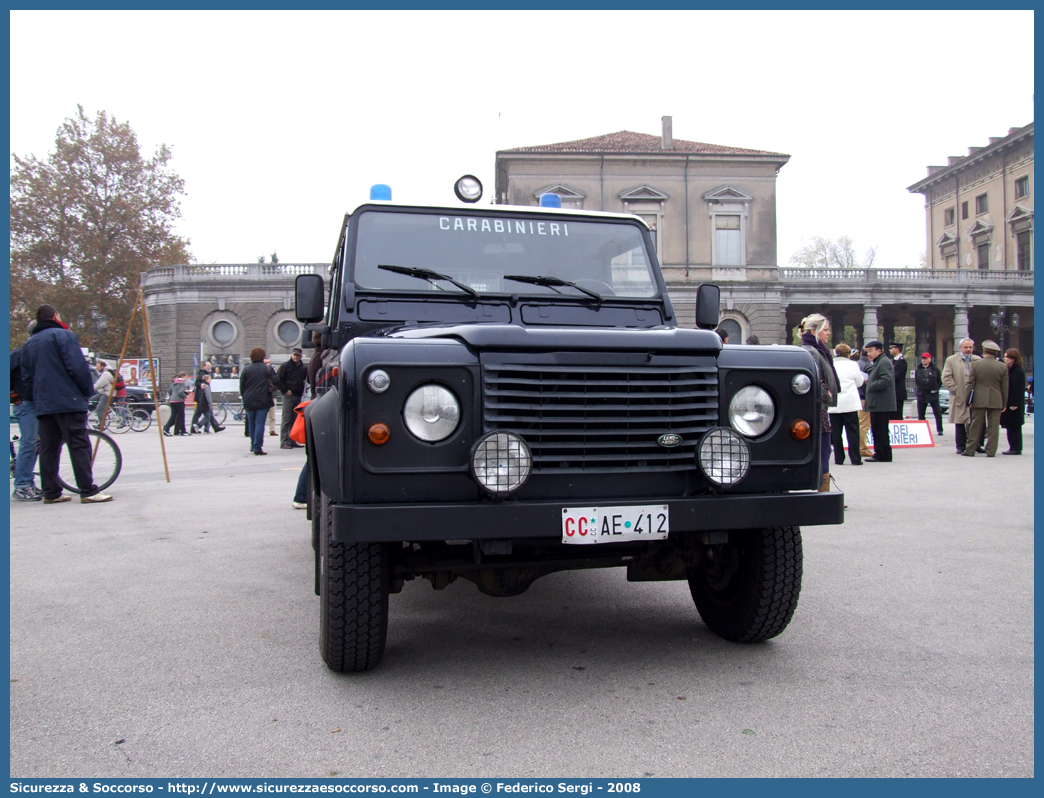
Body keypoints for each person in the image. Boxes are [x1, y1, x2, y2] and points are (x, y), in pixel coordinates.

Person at [19, 304, 112, 503]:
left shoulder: (29, 343)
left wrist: (35, 397)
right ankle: (88, 490)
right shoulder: (64, 335)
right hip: (68, 400)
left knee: (48, 448)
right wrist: (86, 391)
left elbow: (25, 377)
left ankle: (51, 493)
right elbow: (77, 367)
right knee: (78, 445)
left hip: (43, 403)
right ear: (55, 316)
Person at [799, 314, 839, 491]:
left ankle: (824, 487)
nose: (829, 333)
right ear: (814, 331)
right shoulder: (812, 351)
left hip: (820, 407)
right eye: (826, 329)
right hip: (818, 409)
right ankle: (823, 488)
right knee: (823, 448)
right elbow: (813, 379)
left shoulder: (817, 349)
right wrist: (826, 392)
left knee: (824, 448)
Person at [293, 334, 326, 509]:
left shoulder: (316, 356)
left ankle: (301, 496)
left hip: (314, 405)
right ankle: (301, 496)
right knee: (315, 457)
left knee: (313, 457)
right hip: (319, 407)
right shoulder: (322, 357)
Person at [10, 328, 44, 501]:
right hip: (25, 402)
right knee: (29, 443)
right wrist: (14, 396)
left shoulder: (28, 354)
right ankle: (22, 484)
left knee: (35, 444)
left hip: (33, 402)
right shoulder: (19, 354)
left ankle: (26, 480)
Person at [964, 340, 1008, 457]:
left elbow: (970, 384)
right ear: (995, 354)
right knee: (993, 426)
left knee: (975, 425)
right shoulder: (1003, 367)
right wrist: (1004, 403)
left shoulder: (976, 365)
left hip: (979, 399)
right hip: (996, 399)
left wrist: (967, 400)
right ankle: (991, 450)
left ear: (984, 351)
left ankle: (970, 449)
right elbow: (1004, 386)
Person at [829, 343, 866, 467]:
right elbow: (860, 382)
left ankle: (839, 459)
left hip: (835, 404)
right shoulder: (853, 365)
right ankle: (855, 459)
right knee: (853, 432)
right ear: (849, 354)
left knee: (836, 433)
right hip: (850, 404)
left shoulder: (831, 364)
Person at [942, 338, 981, 455]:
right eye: (966, 347)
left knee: (975, 421)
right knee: (960, 421)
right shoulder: (951, 360)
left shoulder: (978, 360)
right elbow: (946, 378)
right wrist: (956, 390)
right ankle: (960, 445)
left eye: (970, 347)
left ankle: (976, 444)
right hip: (959, 395)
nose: (968, 350)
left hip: (975, 395)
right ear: (960, 348)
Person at [863, 340, 895, 462]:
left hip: (882, 403)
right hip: (877, 403)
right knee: (877, 429)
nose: (869, 354)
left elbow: (887, 380)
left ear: (879, 350)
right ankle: (880, 452)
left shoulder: (883, 362)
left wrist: (871, 385)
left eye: (871, 351)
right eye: (867, 351)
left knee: (880, 430)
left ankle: (883, 454)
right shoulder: (878, 362)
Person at [240, 347, 275, 455]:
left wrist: (244, 396)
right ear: (262, 356)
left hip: (249, 399)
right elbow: (276, 380)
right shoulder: (267, 368)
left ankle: (252, 444)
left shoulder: (246, 369)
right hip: (263, 398)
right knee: (260, 423)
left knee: (251, 423)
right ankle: (257, 446)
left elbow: (242, 385)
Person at [275, 348, 308, 449]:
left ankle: (293, 440)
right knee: (286, 418)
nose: (296, 357)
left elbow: (305, 380)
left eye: (297, 355)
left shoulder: (302, 367)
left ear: (300, 356)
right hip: (289, 395)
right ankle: (284, 441)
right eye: (294, 355)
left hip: (298, 395)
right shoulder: (286, 366)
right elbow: (277, 379)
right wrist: (285, 390)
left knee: (294, 419)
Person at [1000, 348, 1026, 455]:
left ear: (1013, 359)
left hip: (1014, 403)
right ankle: (1013, 446)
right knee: (1010, 425)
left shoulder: (1018, 371)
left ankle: (1015, 447)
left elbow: (1017, 389)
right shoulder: (1009, 370)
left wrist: (1014, 403)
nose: (1005, 359)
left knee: (1014, 426)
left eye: (1007, 357)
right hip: (1009, 402)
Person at [914, 352, 944, 436]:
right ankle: (922, 429)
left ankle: (940, 429)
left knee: (937, 412)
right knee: (921, 413)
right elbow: (917, 381)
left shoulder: (935, 370)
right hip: (922, 394)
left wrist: (935, 389)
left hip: (932, 394)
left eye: (926, 358)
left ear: (930, 359)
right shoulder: (918, 370)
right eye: (923, 358)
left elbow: (939, 381)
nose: (924, 360)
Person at [855, 348, 874, 460]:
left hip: (858, 396)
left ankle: (861, 446)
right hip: (864, 396)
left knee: (860, 423)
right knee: (864, 424)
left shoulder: (857, 364)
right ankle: (862, 448)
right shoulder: (868, 366)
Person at [163, 372, 190, 437]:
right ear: (182, 376)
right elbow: (180, 392)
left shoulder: (174, 382)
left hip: (172, 401)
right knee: (181, 416)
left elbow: (169, 391)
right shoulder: (182, 383)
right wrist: (185, 396)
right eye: (186, 377)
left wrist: (173, 396)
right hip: (179, 401)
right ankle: (183, 431)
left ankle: (166, 429)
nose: (186, 379)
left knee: (173, 416)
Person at [189, 362, 212, 433]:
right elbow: (197, 383)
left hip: (201, 398)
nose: (209, 367)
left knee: (203, 414)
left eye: (210, 366)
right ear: (204, 367)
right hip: (202, 398)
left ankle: (206, 428)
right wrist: (201, 384)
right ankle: (198, 426)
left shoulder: (205, 373)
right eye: (208, 366)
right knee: (206, 414)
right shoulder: (202, 374)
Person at [888, 341, 907, 421]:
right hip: (892, 392)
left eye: (891, 348)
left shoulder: (901, 361)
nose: (889, 350)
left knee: (897, 415)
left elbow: (897, 376)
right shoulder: (893, 361)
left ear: (897, 349)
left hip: (898, 393)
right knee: (891, 415)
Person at [264, 356, 278, 439]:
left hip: (272, 395)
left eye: (268, 362)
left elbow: (277, 381)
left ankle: (272, 429)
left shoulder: (273, 372)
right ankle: (262, 430)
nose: (267, 364)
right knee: (262, 414)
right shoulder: (261, 373)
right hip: (264, 395)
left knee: (272, 414)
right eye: (265, 363)